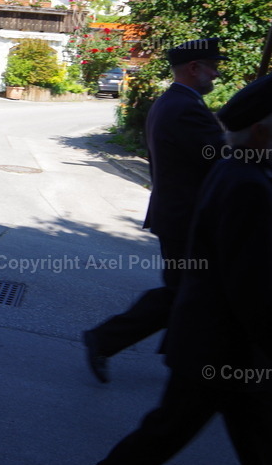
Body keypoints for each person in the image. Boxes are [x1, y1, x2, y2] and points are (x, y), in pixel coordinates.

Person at [97, 72, 272, 465]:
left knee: (246, 446)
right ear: (260, 131)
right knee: (159, 439)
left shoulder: (252, 171)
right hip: (223, 350)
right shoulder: (246, 185)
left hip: (230, 350)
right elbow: (253, 289)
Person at [83, 38, 226, 383]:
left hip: (177, 216)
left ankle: (174, 352)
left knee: (187, 290)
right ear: (194, 68)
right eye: (212, 66)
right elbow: (221, 158)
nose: (217, 74)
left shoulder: (171, 102)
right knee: (186, 290)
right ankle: (108, 339)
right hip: (187, 220)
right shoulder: (187, 108)